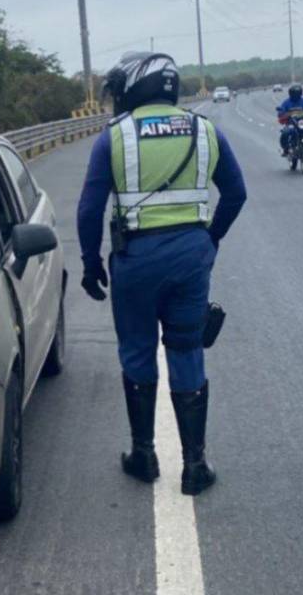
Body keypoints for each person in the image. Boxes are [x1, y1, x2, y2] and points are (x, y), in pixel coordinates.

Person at [77, 51, 247, 496]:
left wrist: (90, 263)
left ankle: (144, 455)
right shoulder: (206, 130)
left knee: (137, 350)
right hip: (192, 257)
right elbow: (236, 192)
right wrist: (211, 238)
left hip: (134, 259)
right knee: (187, 349)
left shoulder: (114, 138)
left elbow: (90, 208)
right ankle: (195, 466)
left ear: (138, 87)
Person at [277, 84, 303, 158]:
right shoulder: (286, 102)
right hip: (291, 123)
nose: (296, 95)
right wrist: (282, 112)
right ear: (291, 94)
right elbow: (281, 110)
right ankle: (285, 149)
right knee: (285, 133)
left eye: (298, 94)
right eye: (294, 94)